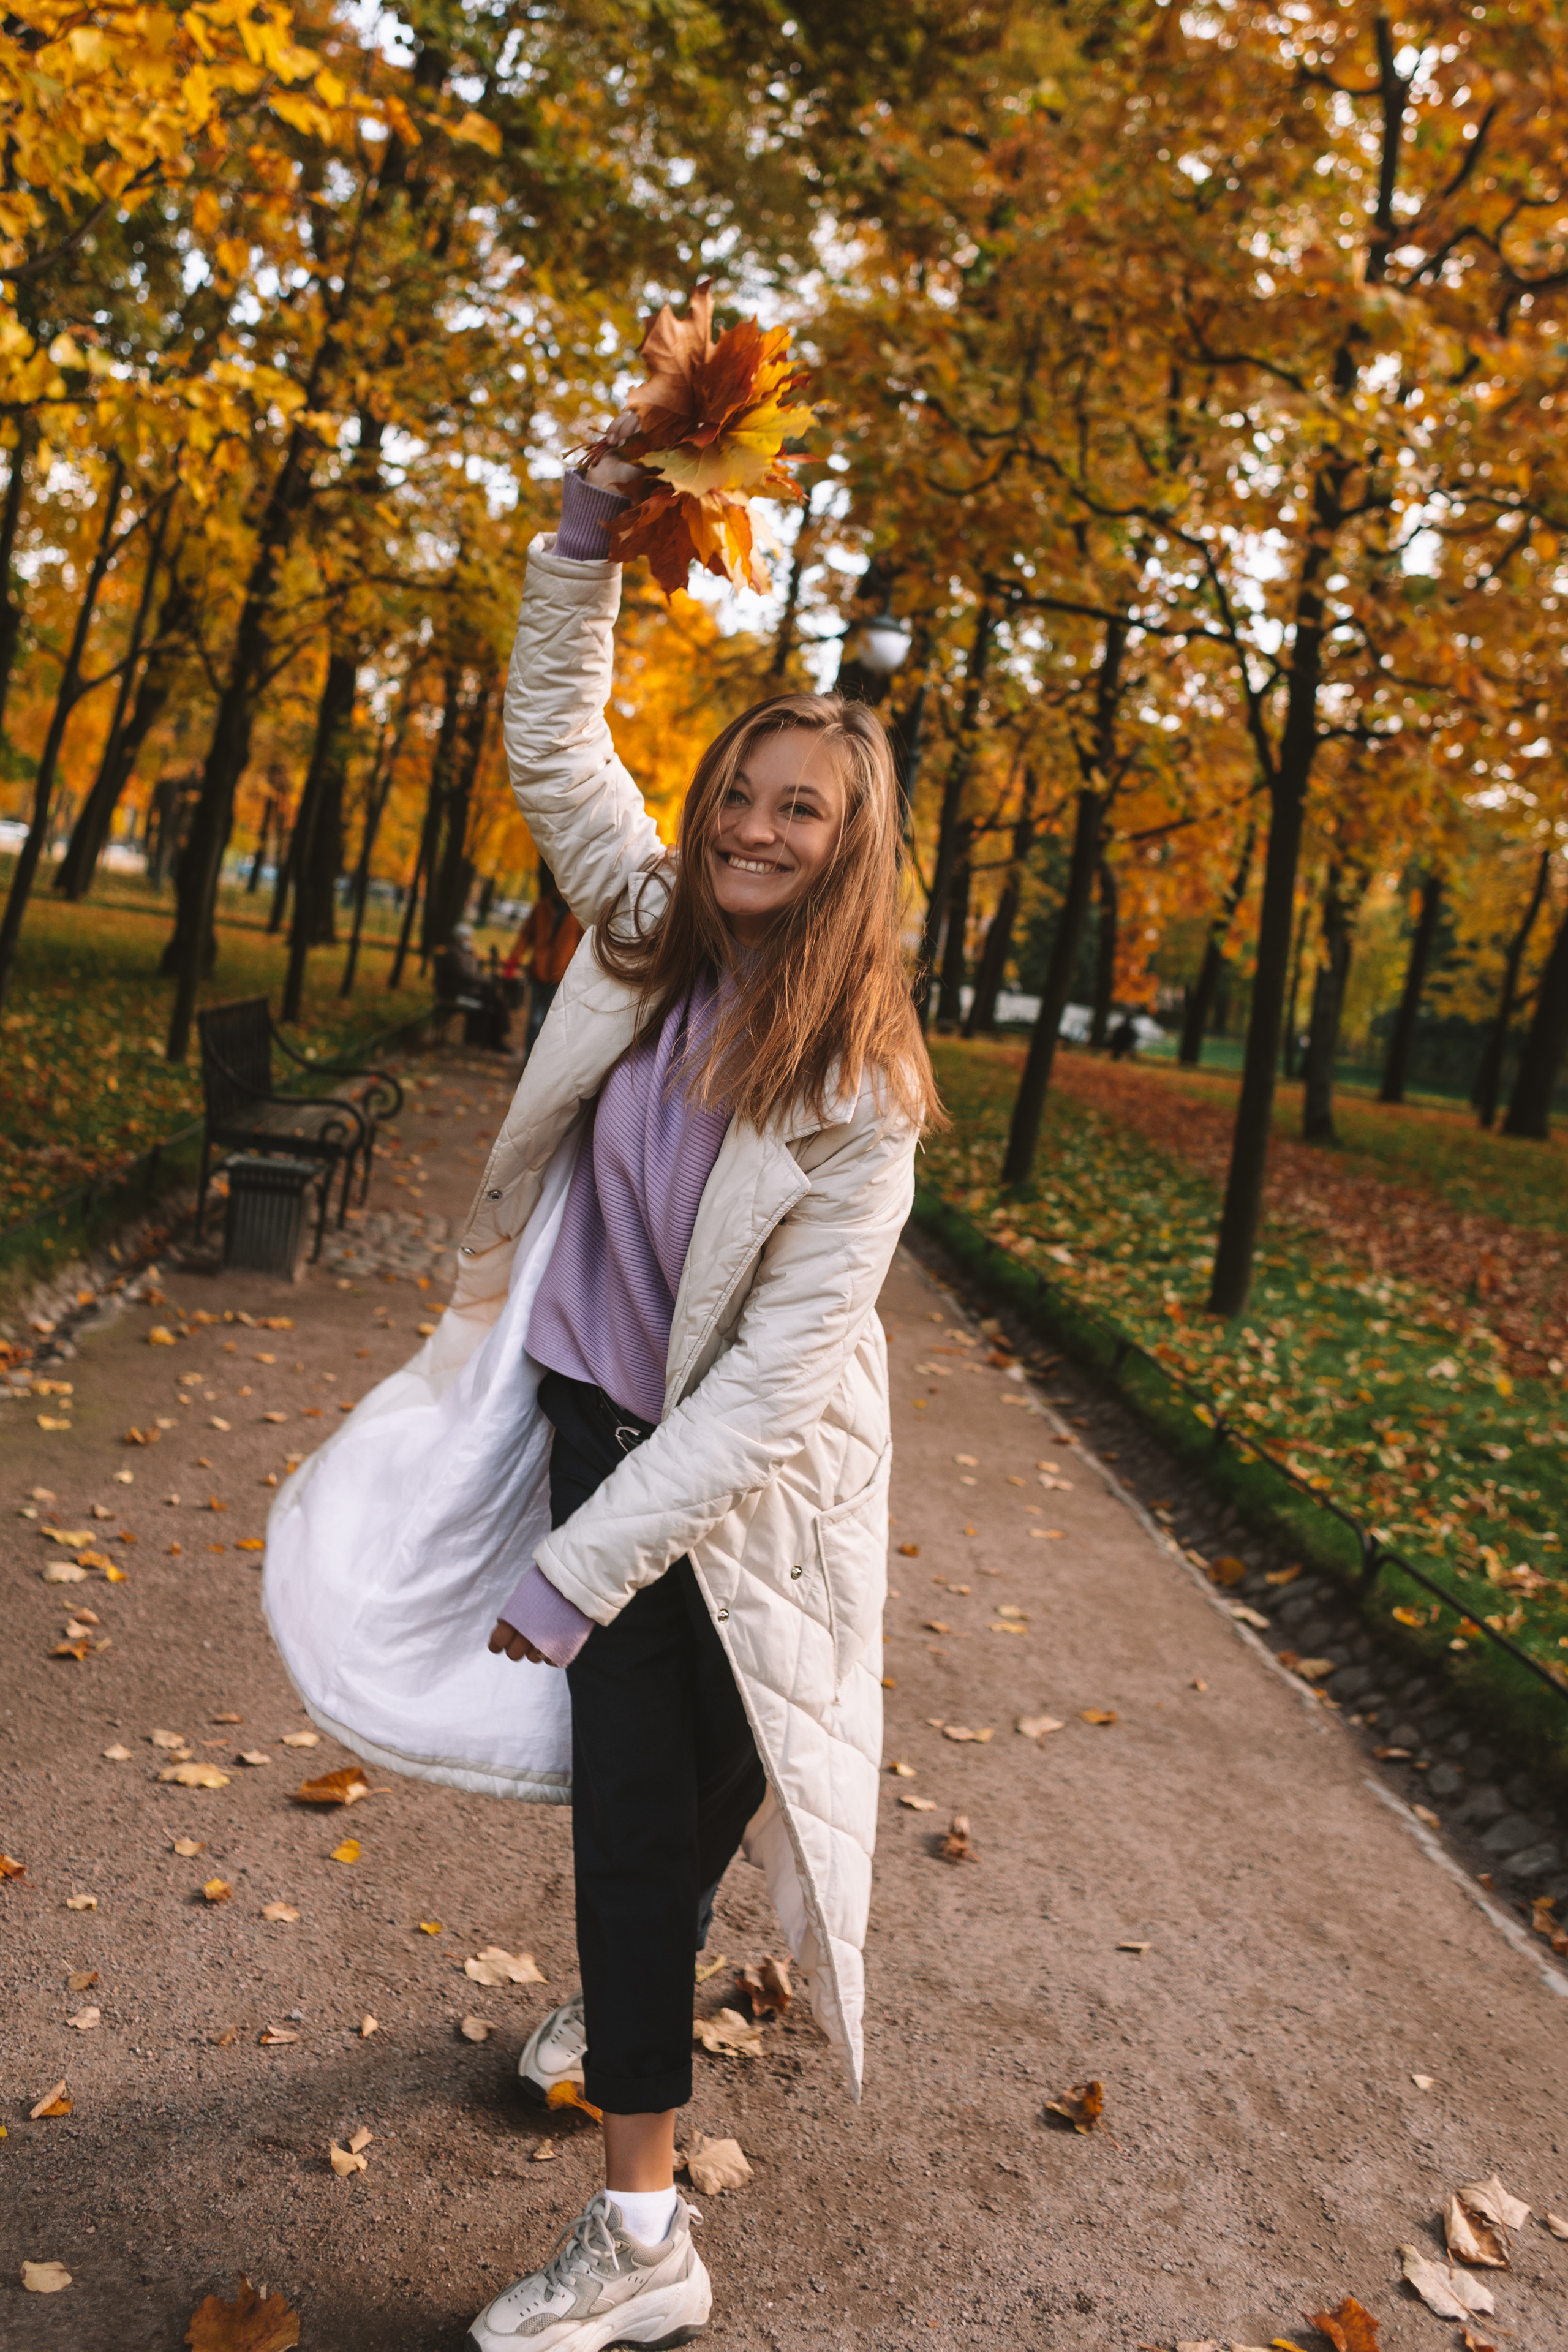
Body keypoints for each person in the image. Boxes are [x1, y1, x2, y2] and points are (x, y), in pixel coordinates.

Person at [261, 426, 939, 2352]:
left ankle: (641, 2235)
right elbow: (556, 728)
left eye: (798, 812)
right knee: (652, 1824)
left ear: (849, 843)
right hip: (584, 1425)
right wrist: (586, 530)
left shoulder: (857, 1102)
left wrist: (581, 1572)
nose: (750, 829)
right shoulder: (644, 932)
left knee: (675, 1811)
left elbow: (756, 1409)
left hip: (738, 1500)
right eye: (741, 791)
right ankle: (630, 2084)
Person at [504, 865, 584, 1058]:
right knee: (535, 1021)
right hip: (537, 972)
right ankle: (528, 1062)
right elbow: (525, 936)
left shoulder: (578, 913)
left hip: (560, 975)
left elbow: (584, 946)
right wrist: (513, 962)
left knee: (550, 1024)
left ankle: (540, 1065)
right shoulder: (542, 907)